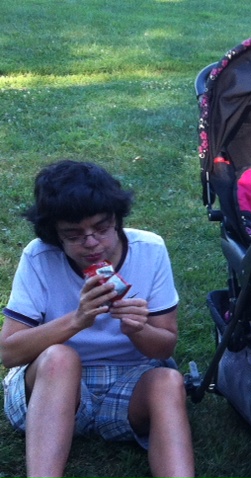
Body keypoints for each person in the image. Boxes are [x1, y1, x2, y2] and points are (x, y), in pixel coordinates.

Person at [1, 160, 195, 478]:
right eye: (74, 235)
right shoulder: (39, 257)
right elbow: (9, 353)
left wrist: (137, 330)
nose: (92, 243)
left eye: (102, 228)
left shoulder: (150, 249)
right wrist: (77, 320)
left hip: (130, 381)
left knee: (168, 381)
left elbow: (164, 347)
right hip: (53, 390)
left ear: (117, 218)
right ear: (54, 235)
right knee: (59, 358)